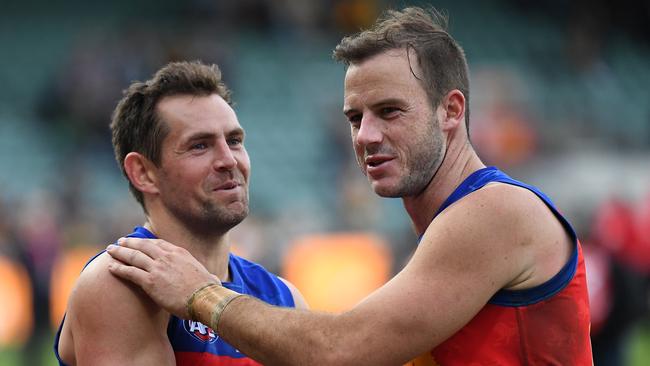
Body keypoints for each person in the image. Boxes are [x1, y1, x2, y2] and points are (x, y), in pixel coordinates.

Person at [106, 7, 593, 365]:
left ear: (452, 111)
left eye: (390, 111)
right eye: (355, 117)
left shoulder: (495, 212)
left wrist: (202, 295)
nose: (366, 136)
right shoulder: (447, 233)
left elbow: (342, 350)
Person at [53, 61, 307, 365]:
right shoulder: (121, 284)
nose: (229, 160)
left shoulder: (283, 295)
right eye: (200, 146)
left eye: (235, 141)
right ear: (143, 173)